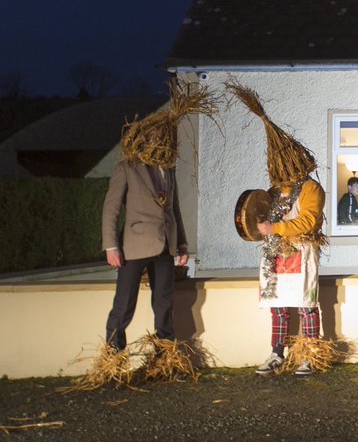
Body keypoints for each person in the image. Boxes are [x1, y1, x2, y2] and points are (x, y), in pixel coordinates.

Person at [102, 80, 215, 355]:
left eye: (163, 137)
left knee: (164, 302)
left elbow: (174, 209)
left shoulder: (169, 170)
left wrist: (183, 244)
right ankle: (113, 353)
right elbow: (111, 207)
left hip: (165, 246)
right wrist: (111, 245)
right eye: (155, 136)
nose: (159, 140)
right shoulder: (127, 167)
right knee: (124, 302)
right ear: (145, 137)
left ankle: (165, 351)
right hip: (133, 247)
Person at [228, 83, 328, 377]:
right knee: (278, 305)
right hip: (275, 255)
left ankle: (309, 354)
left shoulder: (311, 188)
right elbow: (259, 218)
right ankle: (276, 353)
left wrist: (276, 227)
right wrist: (262, 227)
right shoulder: (274, 191)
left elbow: (308, 221)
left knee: (305, 303)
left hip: (302, 252)